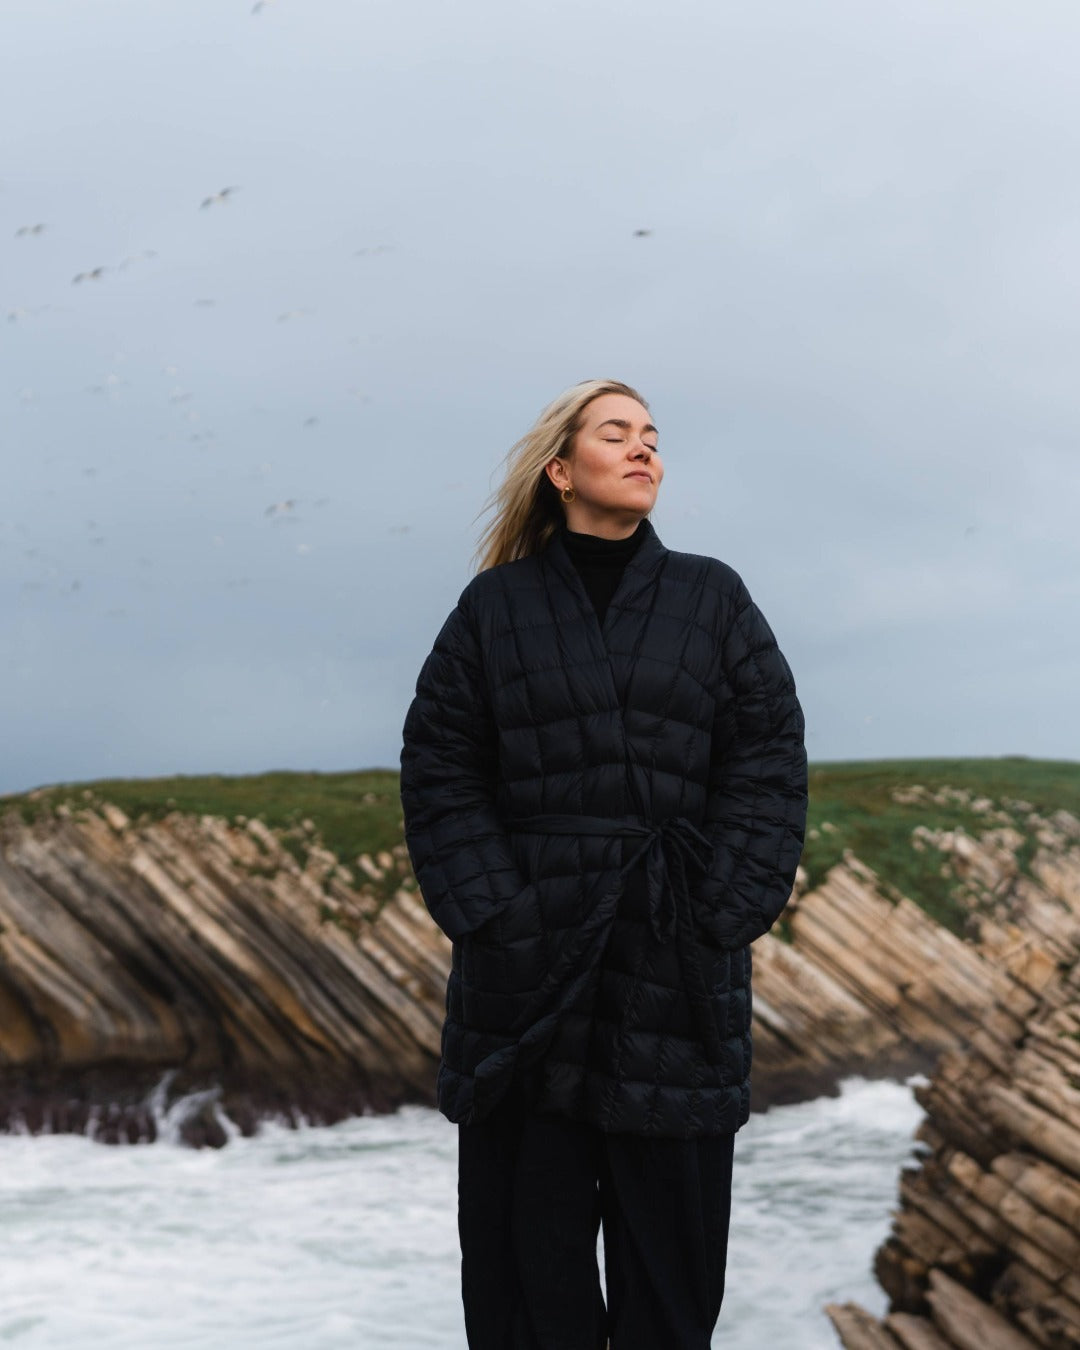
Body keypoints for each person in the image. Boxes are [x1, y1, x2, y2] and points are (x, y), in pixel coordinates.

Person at [399, 379, 808, 1350]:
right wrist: (495, 913)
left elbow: (767, 758)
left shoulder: (712, 596)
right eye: (616, 434)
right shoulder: (495, 609)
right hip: (527, 978)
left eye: (653, 438)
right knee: (525, 1289)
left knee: (671, 1286)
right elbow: (440, 764)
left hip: (676, 968)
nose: (643, 451)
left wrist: (726, 907)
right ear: (560, 469)